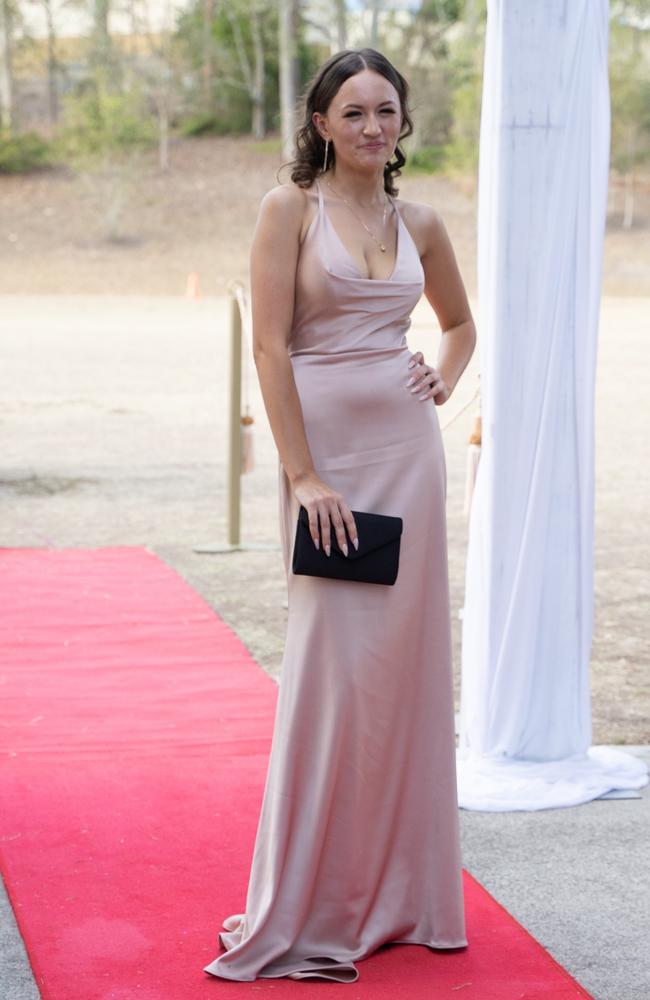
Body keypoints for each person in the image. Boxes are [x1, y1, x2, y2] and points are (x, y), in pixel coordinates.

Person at [203, 47, 477, 984]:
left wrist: (439, 376)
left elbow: (460, 323)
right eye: (352, 111)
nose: (371, 126)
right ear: (320, 122)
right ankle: (308, 902)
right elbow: (271, 350)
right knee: (332, 672)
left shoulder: (424, 220)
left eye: (385, 110)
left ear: (404, 123)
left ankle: (399, 896)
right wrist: (304, 475)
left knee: (403, 674)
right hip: (326, 468)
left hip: (408, 460)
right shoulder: (290, 210)